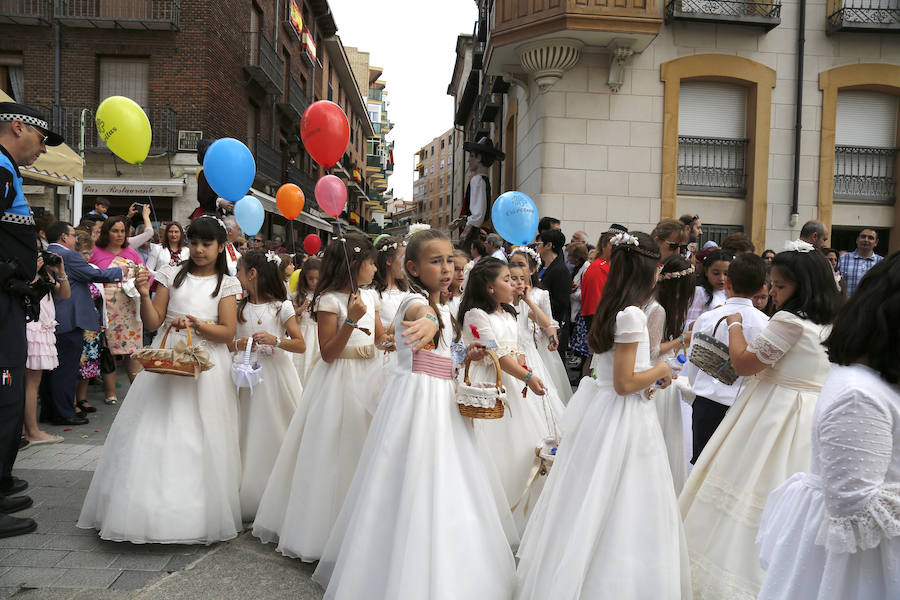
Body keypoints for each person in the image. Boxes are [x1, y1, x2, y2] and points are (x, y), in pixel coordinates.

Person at [312, 229, 518, 599]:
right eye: (434, 262)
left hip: (438, 397)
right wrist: (432, 322)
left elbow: (441, 348)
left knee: (444, 483)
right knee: (417, 480)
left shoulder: (442, 308)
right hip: (420, 402)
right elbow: (421, 318)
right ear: (412, 268)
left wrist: (461, 354)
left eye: (449, 261)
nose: (446, 268)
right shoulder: (415, 303)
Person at [515, 231, 691, 599]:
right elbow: (625, 381)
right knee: (620, 497)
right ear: (646, 269)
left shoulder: (618, 309)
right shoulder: (632, 315)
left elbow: (619, 375)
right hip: (623, 417)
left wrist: (649, 379)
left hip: (611, 410)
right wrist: (660, 372)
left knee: (596, 493)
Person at [679, 247, 843, 600]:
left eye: (780, 286)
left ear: (802, 286)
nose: (773, 293)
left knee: (751, 485)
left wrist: (736, 325)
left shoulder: (789, 322)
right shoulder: (830, 324)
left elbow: (743, 363)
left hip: (775, 413)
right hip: (811, 415)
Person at [78, 216, 243, 544]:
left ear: (220, 247)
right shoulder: (170, 275)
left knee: (202, 433)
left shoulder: (227, 284)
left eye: (206, 244)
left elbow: (227, 332)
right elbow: (154, 320)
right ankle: (142, 507)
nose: (198, 250)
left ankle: (197, 511)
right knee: (155, 429)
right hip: (166, 358)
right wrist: (143, 293)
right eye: (193, 243)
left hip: (207, 365)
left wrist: (196, 325)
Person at [756, 251, 900, 600]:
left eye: (779, 285)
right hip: (861, 562)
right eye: (773, 285)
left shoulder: (872, 382)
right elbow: (854, 506)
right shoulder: (858, 394)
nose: (773, 292)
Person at [252, 233, 384, 562]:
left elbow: (383, 338)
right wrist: (351, 319)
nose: (375, 268)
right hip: (340, 379)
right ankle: (325, 531)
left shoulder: (370, 296)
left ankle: (366, 526)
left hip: (371, 376)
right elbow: (328, 353)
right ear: (354, 265)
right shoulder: (330, 301)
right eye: (370, 263)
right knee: (337, 449)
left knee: (369, 446)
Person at [0, 102, 63, 537]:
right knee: (3, 392)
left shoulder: (8, 171)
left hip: (10, 303)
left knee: (7, 393)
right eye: (42, 140)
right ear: (18, 127)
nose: (42, 150)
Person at [458, 258, 553, 531]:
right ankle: (488, 514)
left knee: (522, 449)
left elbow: (517, 348)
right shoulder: (476, 315)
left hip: (514, 382)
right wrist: (525, 375)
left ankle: (517, 511)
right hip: (492, 383)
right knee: (492, 449)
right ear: (490, 287)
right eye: (507, 280)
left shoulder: (509, 313)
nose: (514, 284)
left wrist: (527, 370)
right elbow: (496, 355)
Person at [231, 250, 306, 522]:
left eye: (239, 271)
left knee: (277, 426)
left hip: (276, 376)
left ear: (252, 274)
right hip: (246, 376)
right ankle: (247, 489)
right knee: (247, 430)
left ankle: (281, 490)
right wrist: (242, 344)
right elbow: (229, 342)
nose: (236, 277)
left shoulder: (281, 307)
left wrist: (276, 340)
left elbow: (300, 344)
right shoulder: (238, 308)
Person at [681, 253, 770, 463]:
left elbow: (694, 365)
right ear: (760, 288)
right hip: (746, 406)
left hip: (707, 403)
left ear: (728, 282)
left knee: (703, 466)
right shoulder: (766, 323)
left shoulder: (707, 318)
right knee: (738, 468)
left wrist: (701, 386)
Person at [44, 221, 122, 425]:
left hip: (53, 317)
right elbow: (92, 274)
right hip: (69, 319)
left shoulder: (48, 252)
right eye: (73, 235)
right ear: (63, 237)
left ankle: (51, 411)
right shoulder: (68, 256)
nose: (75, 239)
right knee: (66, 370)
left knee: (52, 370)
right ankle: (65, 413)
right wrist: (121, 272)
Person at [649, 253, 696, 493]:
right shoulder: (658, 310)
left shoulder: (652, 302)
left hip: (661, 374)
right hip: (657, 379)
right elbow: (653, 349)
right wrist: (682, 339)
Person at [90, 216, 149, 403]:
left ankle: (136, 392)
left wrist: (140, 281)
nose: (119, 234)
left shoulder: (131, 252)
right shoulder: (95, 253)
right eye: (115, 230)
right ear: (107, 231)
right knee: (108, 351)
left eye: (122, 231)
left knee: (132, 351)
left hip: (130, 309)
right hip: (106, 310)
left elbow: (146, 274)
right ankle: (110, 393)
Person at [509, 247, 572, 403]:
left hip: (537, 345)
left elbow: (548, 322)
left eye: (521, 264)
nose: (516, 268)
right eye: (512, 264)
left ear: (531, 270)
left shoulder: (539, 294)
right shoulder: (506, 294)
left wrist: (552, 337)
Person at [23, 247, 69, 445]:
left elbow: (65, 294)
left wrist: (61, 272)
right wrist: (32, 270)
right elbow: (27, 292)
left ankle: (27, 430)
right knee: (31, 383)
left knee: (32, 383)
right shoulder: (24, 270)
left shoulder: (46, 273)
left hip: (42, 329)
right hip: (32, 329)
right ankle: (32, 432)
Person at [579, 225, 627, 374]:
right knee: (596, 358)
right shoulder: (599, 268)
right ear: (604, 245)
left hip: (604, 318)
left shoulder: (608, 266)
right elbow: (595, 303)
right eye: (614, 246)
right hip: (599, 319)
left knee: (595, 358)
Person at [450, 137, 504, 252]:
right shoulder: (483, 180)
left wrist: (464, 236)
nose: (468, 160)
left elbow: (477, 216)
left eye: (472, 156)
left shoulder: (477, 180)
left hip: (475, 235)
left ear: (479, 158)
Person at [537, 229, 572, 354]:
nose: (537, 247)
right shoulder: (541, 266)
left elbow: (561, 303)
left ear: (548, 245)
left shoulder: (560, 270)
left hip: (551, 321)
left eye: (539, 244)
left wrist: (539, 302)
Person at [291, 257, 321, 386]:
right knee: (302, 365)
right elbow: (292, 319)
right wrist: (300, 309)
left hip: (319, 333)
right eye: (311, 278)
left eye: (317, 278)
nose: (314, 282)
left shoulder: (325, 295)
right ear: (304, 278)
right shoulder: (298, 296)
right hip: (303, 333)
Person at [685, 249, 732, 328]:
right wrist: (714, 316)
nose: (721, 278)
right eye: (716, 273)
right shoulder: (699, 292)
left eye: (726, 274)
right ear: (706, 271)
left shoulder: (731, 293)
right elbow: (688, 324)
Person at [838, 227, 883, 297]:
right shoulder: (843, 259)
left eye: (870, 238)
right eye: (863, 237)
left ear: (876, 243)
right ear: (857, 240)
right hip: (847, 306)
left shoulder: (882, 262)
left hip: (871, 306)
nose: (866, 240)